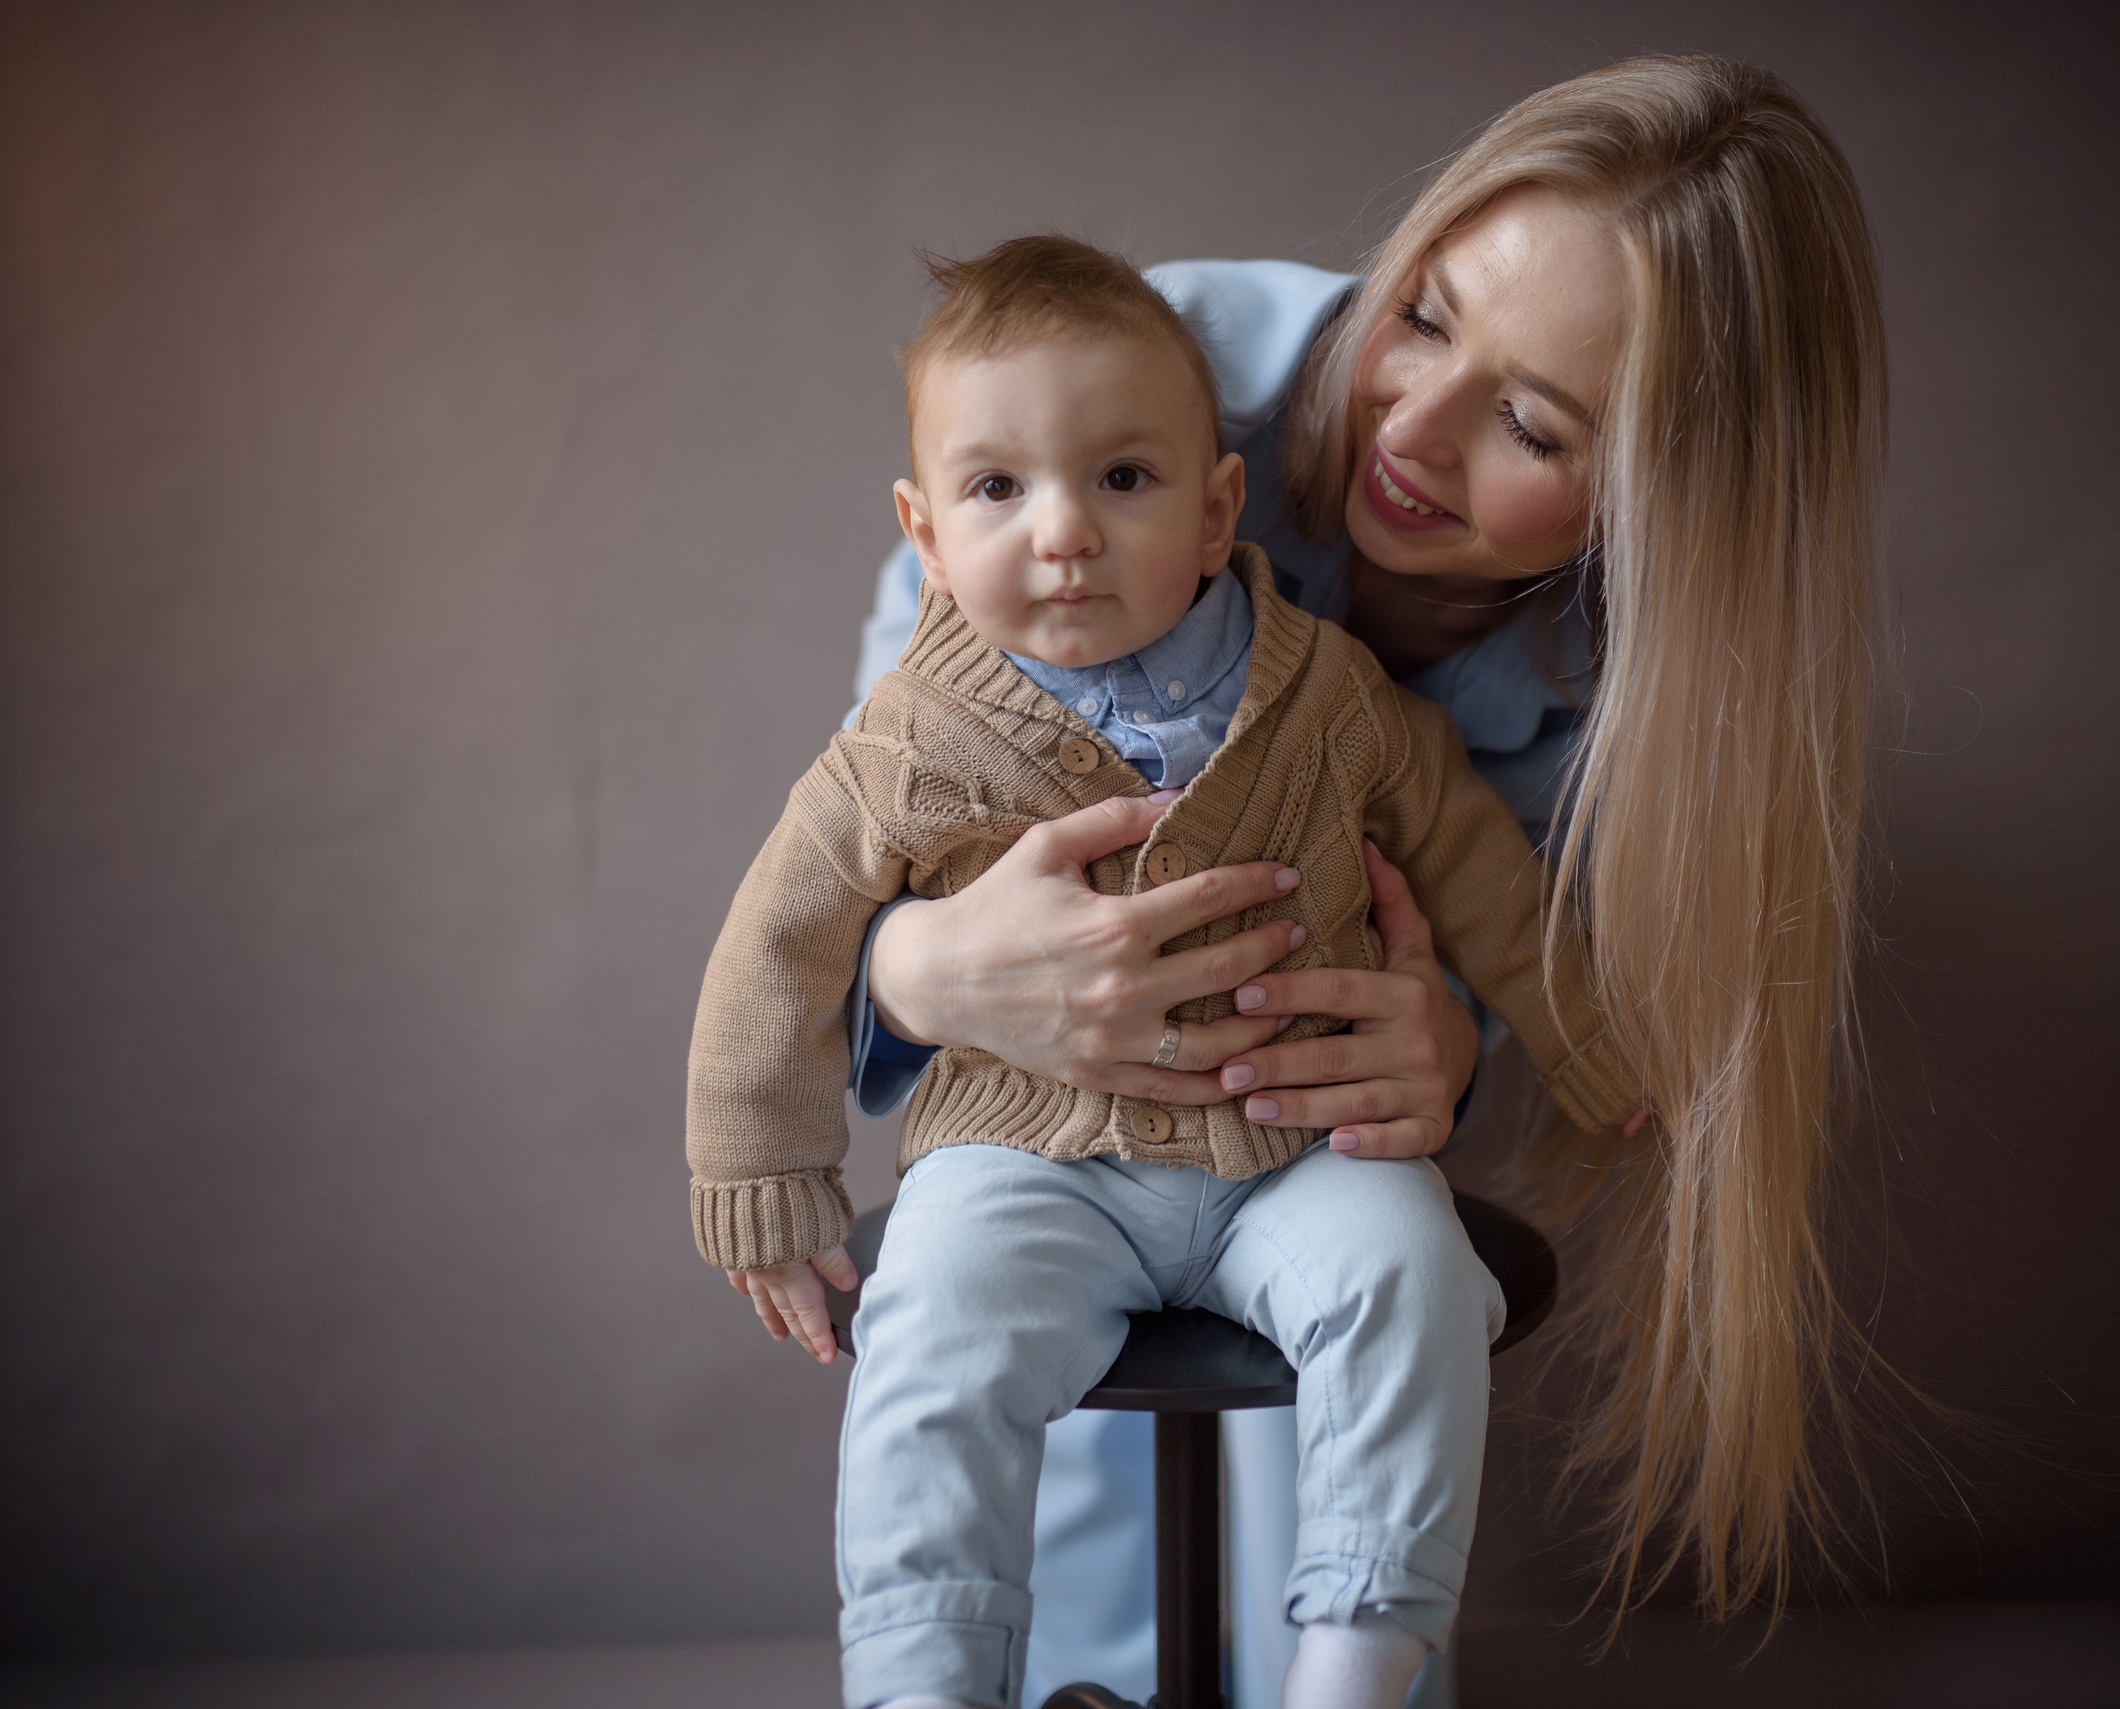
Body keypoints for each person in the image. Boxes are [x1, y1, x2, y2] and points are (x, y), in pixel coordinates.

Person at [741, 51, 1886, 1707]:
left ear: (1659, 509)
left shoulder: (1649, 704)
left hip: (1297, 1153)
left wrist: (1453, 1042)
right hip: (1045, 1129)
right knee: (1001, 1395)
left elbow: (1492, 928)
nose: (1408, 426)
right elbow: (867, 845)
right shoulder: (1108, 395)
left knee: (1367, 1358)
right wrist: (920, 971)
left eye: (1530, 424)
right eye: (1423, 317)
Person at [685, 234, 1644, 1709]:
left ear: (1215, 510)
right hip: (1028, 1154)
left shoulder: (1325, 692)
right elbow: (779, 937)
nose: (1063, 531)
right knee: (934, 1325)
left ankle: (1357, 1654)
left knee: (1416, 1275)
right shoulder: (908, 739)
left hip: (1291, 1152)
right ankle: (924, 1673)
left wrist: (1577, 1039)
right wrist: (762, 1163)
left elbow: (1474, 864)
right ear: (924, 532)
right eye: (997, 490)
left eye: (1121, 480)